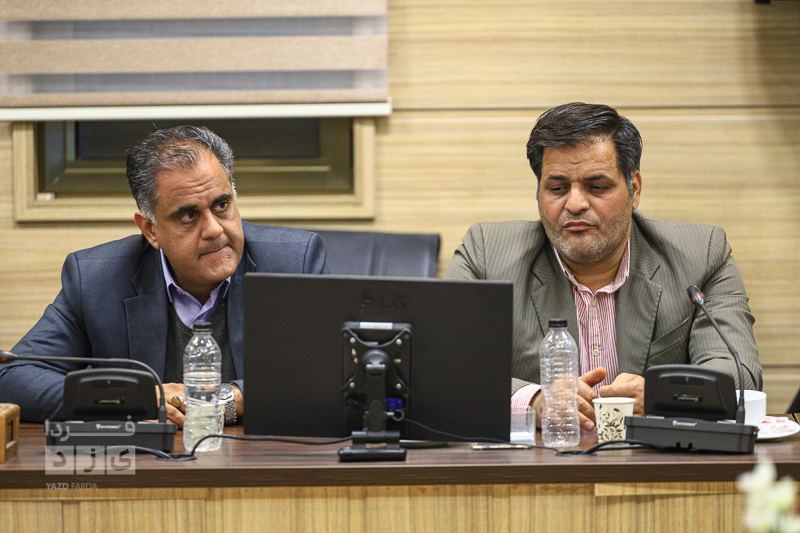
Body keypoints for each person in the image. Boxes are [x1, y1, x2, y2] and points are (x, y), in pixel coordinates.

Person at [445, 102, 761, 431]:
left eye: (597, 187)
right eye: (557, 188)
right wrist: (534, 400)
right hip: (541, 457)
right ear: (538, 193)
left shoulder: (701, 255)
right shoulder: (486, 254)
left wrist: (662, 396)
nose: (575, 204)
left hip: (653, 458)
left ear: (634, 190)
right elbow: (443, 369)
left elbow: (740, 376)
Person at [0, 126, 328, 425]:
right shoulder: (97, 279)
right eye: (188, 216)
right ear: (151, 230)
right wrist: (132, 399)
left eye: (222, 206)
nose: (214, 230)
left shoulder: (293, 262)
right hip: (147, 463)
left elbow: (334, 375)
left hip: (263, 460)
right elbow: (14, 377)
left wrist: (226, 399)